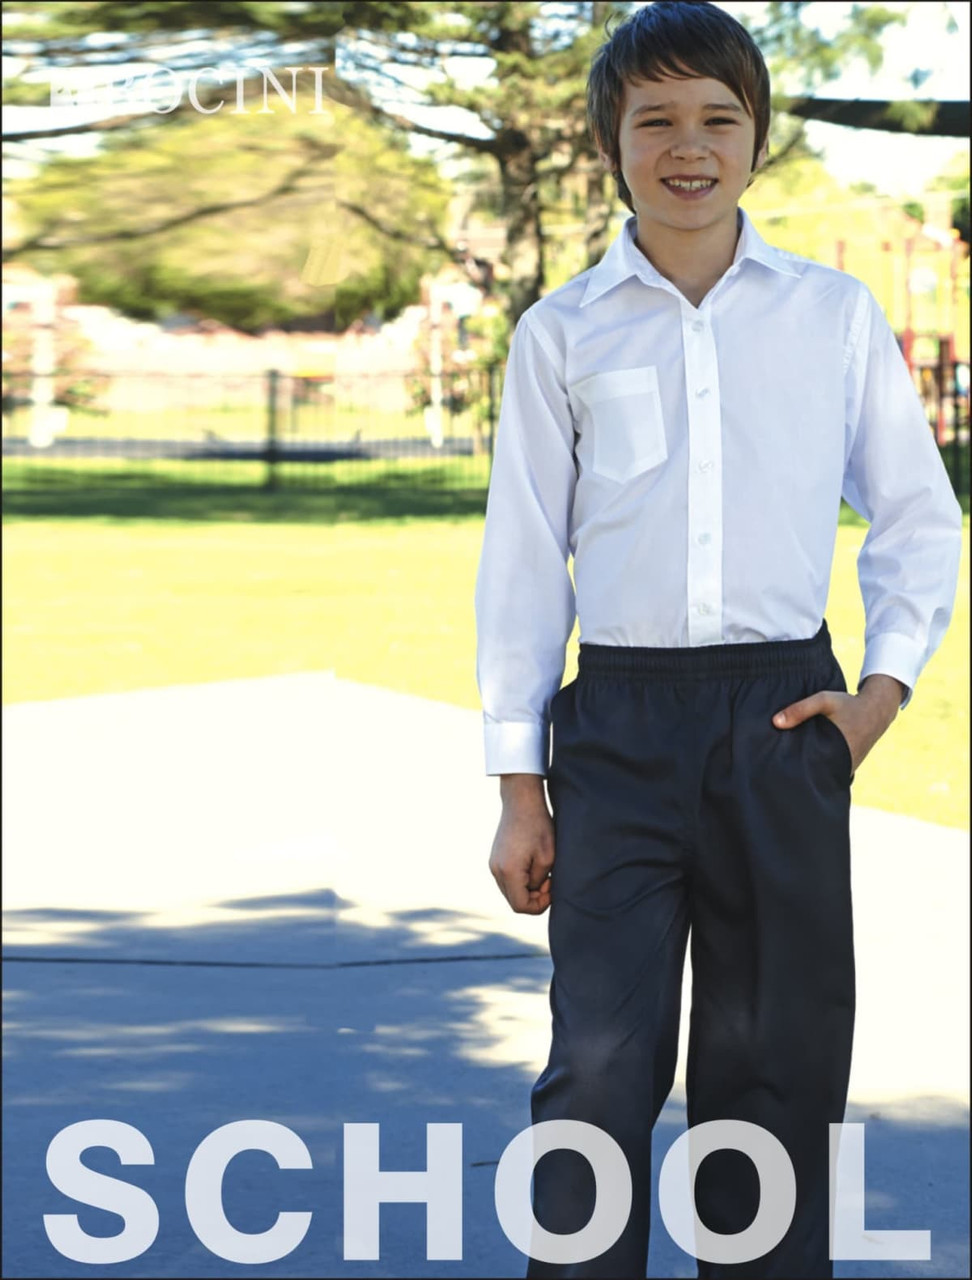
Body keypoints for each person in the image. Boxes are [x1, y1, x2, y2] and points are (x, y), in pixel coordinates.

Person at [474, 2, 964, 1277]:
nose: (687, 147)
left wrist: (878, 695)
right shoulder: (561, 333)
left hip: (782, 725)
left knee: (773, 1080)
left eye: (717, 120)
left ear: (756, 140)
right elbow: (524, 566)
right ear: (611, 143)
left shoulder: (835, 317)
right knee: (594, 1070)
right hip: (618, 732)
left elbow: (918, 518)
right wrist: (521, 788)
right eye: (656, 122)